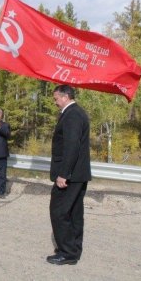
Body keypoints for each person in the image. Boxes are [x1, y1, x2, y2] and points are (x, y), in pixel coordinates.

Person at [47, 85, 91, 265]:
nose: (55, 102)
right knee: (74, 212)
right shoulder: (77, 112)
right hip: (78, 173)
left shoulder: (72, 114)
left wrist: (63, 174)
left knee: (59, 211)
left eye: (56, 98)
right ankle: (73, 250)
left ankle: (66, 252)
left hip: (70, 175)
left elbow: (72, 146)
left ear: (65, 97)